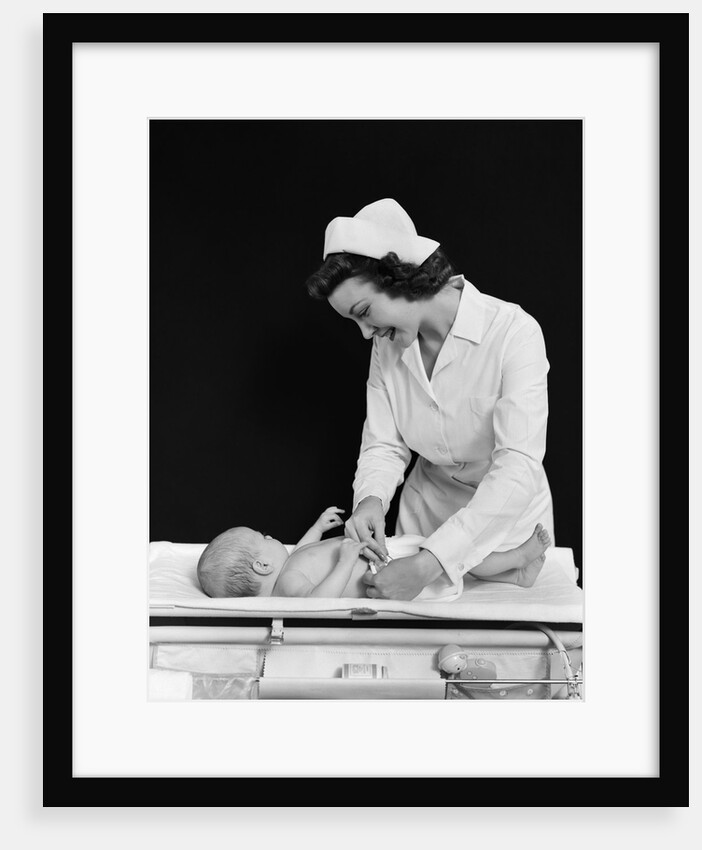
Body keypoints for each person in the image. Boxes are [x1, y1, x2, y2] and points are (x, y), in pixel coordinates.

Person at [305, 198, 556, 601]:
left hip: (509, 524)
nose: (366, 333)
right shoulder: (387, 348)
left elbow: (518, 467)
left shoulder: (513, 333)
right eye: (355, 321)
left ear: (401, 276)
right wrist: (370, 499)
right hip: (425, 512)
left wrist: (431, 563)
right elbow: (385, 443)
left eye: (365, 312)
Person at [196, 504, 552, 599]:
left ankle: (515, 573)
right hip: (388, 573)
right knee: (455, 558)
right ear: (261, 565)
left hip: (386, 556)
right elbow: (320, 602)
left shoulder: (290, 567)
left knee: (452, 556)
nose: (270, 535)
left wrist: (318, 528)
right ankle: (517, 563)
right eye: (263, 536)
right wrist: (346, 560)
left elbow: (302, 551)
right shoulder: (289, 588)